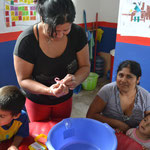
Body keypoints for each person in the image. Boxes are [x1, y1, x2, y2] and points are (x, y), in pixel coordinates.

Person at [13, 0, 90, 122]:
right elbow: (23, 79)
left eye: (65, 30)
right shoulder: (27, 41)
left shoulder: (77, 34)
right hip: (37, 100)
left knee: (62, 131)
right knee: (39, 135)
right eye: (54, 30)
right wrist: (49, 91)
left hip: (65, 99)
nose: (59, 35)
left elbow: (85, 66)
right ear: (43, 18)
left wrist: (75, 80)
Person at [86, 60, 150, 133]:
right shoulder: (107, 90)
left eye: (129, 77)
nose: (123, 80)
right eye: (121, 75)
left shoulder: (145, 97)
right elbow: (91, 115)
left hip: (134, 137)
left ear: (138, 79)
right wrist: (119, 124)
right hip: (107, 133)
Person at [0, 85, 29, 150]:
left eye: (1, 116)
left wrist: (14, 145)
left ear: (16, 115)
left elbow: (21, 134)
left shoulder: (22, 118)